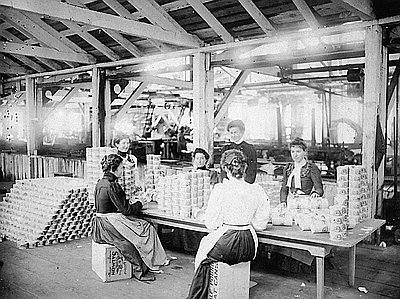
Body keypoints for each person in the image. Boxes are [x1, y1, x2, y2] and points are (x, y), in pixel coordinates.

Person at [187, 149, 270, 299]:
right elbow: (260, 224)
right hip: (249, 245)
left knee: (202, 256)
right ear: (245, 168)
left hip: (228, 244)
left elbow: (211, 224)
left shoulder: (220, 189)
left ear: (225, 168)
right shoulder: (256, 190)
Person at [92, 154, 168, 281]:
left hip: (100, 222)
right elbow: (127, 210)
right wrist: (141, 202)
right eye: (121, 168)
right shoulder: (112, 185)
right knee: (146, 228)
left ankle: (156, 259)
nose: (122, 171)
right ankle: (153, 261)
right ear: (113, 169)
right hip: (110, 224)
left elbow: (112, 204)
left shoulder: (100, 182)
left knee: (140, 225)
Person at [277, 137, 324, 271]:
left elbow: (319, 188)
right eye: (292, 151)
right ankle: (289, 264)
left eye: (298, 151)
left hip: (306, 204)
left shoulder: (311, 168)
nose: (295, 154)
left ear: (305, 152)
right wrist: (283, 202)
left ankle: (304, 264)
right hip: (292, 202)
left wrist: (316, 193)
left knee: (303, 231)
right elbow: (284, 188)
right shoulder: (288, 168)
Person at [169, 148, 218, 253]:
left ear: (206, 160)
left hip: (205, 204)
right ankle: (183, 246)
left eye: (202, 158)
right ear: (194, 160)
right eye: (197, 158)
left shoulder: (212, 174)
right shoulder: (190, 174)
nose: (199, 161)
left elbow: (212, 189)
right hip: (190, 203)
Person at [220, 120, 257, 184]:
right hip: (229, 183)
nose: (233, 135)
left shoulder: (249, 148)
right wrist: (225, 180)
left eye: (236, 132)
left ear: (242, 132)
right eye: (231, 133)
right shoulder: (226, 149)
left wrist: (246, 182)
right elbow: (223, 168)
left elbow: (252, 168)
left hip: (244, 183)